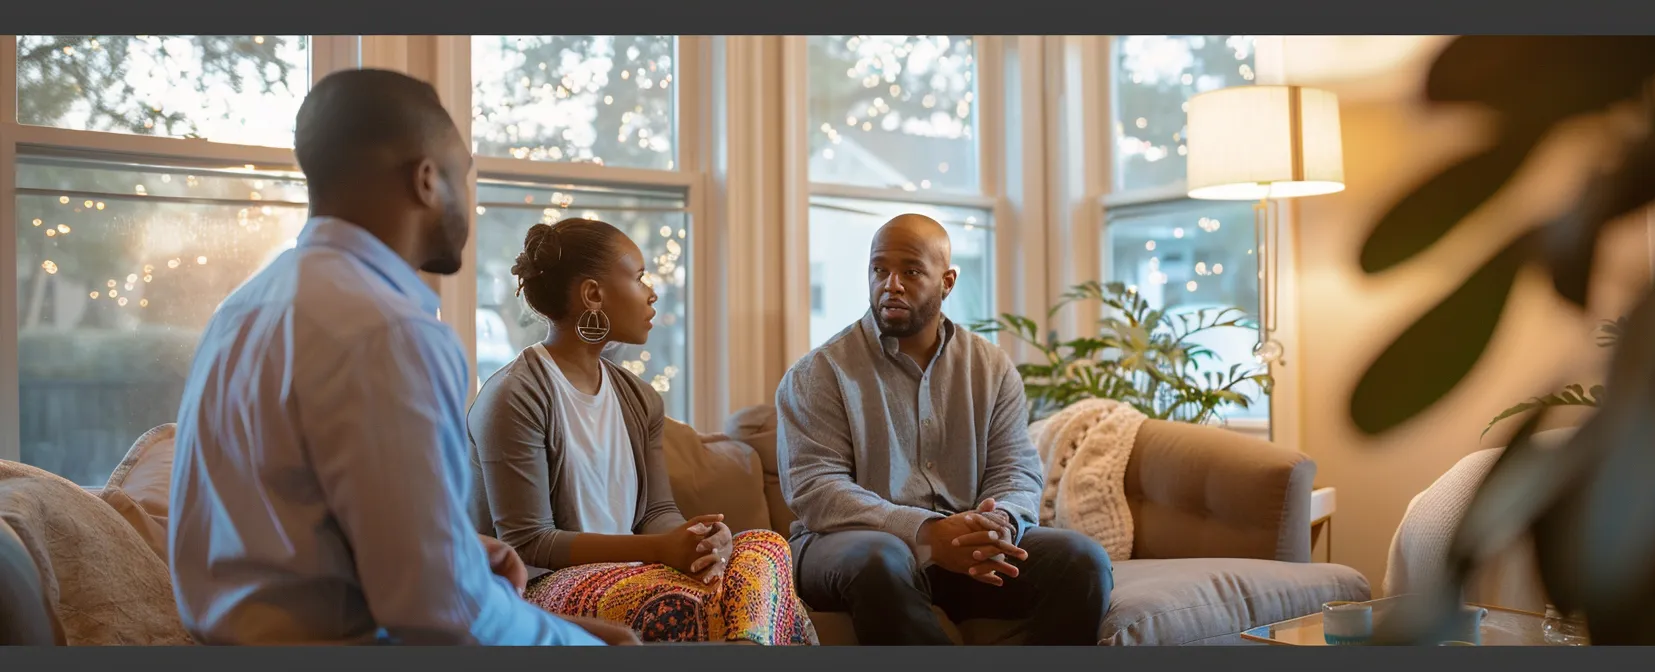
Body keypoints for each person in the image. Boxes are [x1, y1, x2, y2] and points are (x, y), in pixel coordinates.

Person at [165, 69, 634, 646]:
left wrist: (453, 551)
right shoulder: (391, 331)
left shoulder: (240, 311)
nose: (469, 199)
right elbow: (438, 613)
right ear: (427, 180)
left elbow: (280, 530)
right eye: (464, 175)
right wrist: (589, 645)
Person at [467, 218, 815, 646]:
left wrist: (700, 541)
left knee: (765, 546)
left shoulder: (640, 398)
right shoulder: (514, 395)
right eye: (638, 277)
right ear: (593, 294)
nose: (652, 293)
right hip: (539, 588)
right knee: (693, 603)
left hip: (634, 574)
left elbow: (656, 514)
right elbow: (529, 544)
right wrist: (660, 550)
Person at [776, 214, 1114, 645]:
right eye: (879, 270)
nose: (891, 285)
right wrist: (926, 532)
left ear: (947, 282)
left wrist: (999, 522)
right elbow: (817, 489)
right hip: (847, 547)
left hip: (966, 548)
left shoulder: (991, 367)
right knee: (880, 556)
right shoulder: (819, 373)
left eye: (911, 271)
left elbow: (1016, 467)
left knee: (1081, 560)